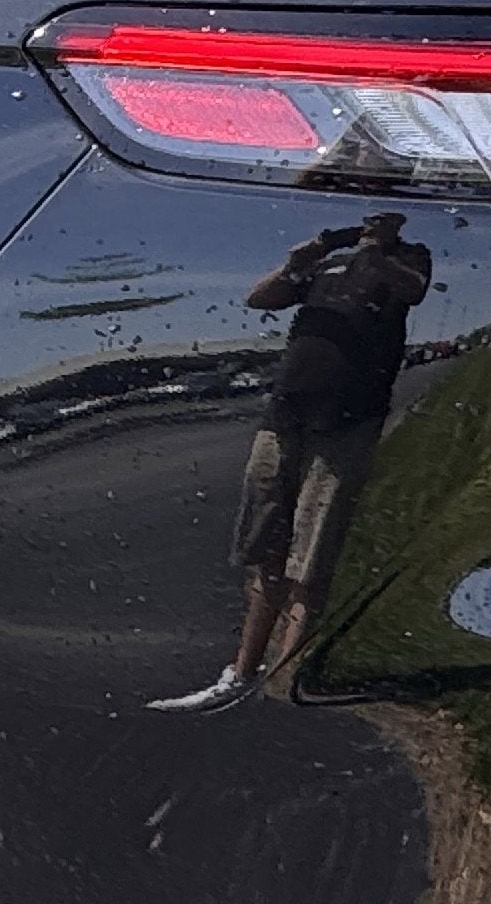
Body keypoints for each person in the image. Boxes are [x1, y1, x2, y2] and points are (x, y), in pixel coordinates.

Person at [151, 209, 433, 714]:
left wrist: (374, 249)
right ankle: (242, 673)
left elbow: (412, 290)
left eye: (382, 210)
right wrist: (298, 264)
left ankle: (292, 682)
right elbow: (260, 299)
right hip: (285, 414)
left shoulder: (408, 258)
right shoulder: (329, 264)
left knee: (312, 552)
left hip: (348, 420)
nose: (369, 216)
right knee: (265, 548)